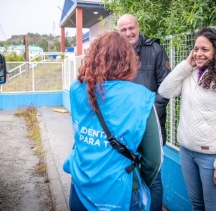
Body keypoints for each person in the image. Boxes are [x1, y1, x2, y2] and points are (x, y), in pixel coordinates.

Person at [63, 31, 162, 211]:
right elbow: (153, 160)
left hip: (80, 186)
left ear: (92, 57)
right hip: (120, 192)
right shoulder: (140, 98)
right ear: (128, 60)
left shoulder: (76, 88)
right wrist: (137, 183)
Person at [158, 27, 216, 211]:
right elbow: (164, 91)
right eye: (196, 49)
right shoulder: (190, 73)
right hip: (187, 152)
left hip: (212, 158)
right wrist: (186, 64)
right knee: (197, 206)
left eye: (204, 49)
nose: (198, 53)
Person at [117, 13, 171, 211]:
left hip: (150, 125)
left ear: (138, 27)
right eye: (123, 30)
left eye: (131, 28)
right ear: (118, 32)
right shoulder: (116, 53)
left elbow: (166, 88)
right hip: (123, 129)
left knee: (153, 178)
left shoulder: (155, 50)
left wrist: (146, 115)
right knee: (126, 176)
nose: (128, 33)